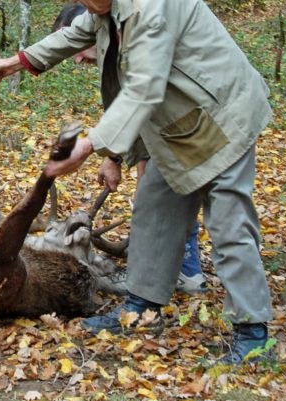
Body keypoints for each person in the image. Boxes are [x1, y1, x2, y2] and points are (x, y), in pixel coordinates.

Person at [0, 0, 275, 365]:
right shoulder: (106, 8)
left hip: (221, 118)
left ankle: (253, 334)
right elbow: (76, 32)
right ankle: (140, 313)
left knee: (230, 226)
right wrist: (19, 62)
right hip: (176, 128)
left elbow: (143, 87)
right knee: (153, 215)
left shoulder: (152, 8)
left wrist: (89, 145)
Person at [51, 3, 207, 295]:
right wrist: (115, 158)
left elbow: (142, 101)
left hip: (188, 125)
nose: (76, 59)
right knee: (153, 193)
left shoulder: (135, 30)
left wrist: (101, 151)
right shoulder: (115, 50)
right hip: (165, 128)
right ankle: (162, 269)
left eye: (76, 46)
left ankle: (184, 270)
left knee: (165, 192)